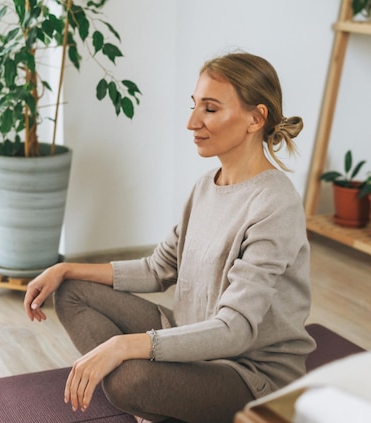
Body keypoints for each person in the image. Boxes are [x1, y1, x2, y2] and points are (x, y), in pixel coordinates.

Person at [23, 51, 316, 423]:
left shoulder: (276, 204)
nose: (192, 122)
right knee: (70, 289)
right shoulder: (204, 188)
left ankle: (158, 401)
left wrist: (124, 346)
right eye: (194, 106)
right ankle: (165, 403)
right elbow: (159, 268)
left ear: (255, 118)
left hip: (248, 376)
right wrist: (65, 268)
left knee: (129, 380)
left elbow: (235, 330)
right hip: (191, 338)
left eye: (210, 109)